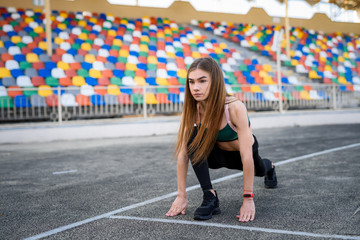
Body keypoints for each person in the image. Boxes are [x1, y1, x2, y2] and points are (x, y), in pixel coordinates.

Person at [165, 56, 277, 222]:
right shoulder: (193, 109)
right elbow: (183, 154)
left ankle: (271, 167)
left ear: (215, 81)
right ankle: (209, 196)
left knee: (260, 170)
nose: (195, 88)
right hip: (215, 155)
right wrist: (181, 196)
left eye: (202, 81)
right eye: (191, 82)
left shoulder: (233, 107)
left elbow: (246, 156)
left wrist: (248, 198)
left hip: (240, 154)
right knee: (193, 138)